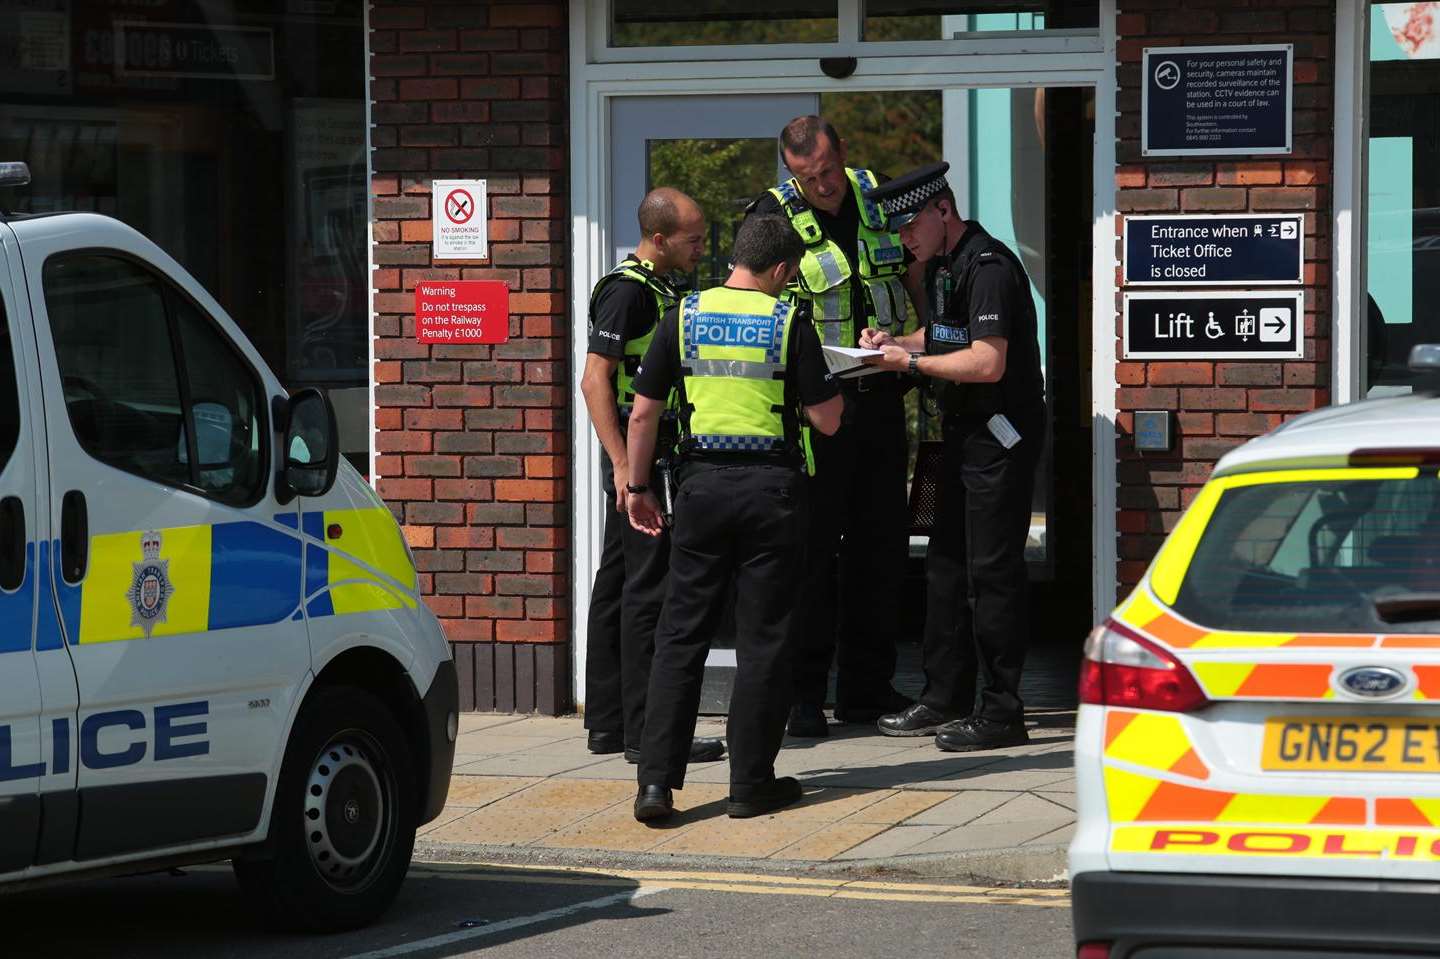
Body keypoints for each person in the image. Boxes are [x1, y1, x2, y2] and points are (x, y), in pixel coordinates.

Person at [623, 214, 845, 822]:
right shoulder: (788, 322)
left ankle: (656, 785)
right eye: (790, 274)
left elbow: (643, 417)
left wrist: (637, 487)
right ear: (778, 268)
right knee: (764, 640)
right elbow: (828, 420)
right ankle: (750, 784)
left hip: (699, 491)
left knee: (680, 634)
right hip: (771, 493)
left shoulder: (684, 316)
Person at [745, 116, 925, 738]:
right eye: (805, 177)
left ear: (843, 155)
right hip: (814, 410)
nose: (820, 185)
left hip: (880, 395)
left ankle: (867, 689)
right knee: (812, 554)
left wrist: (910, 337)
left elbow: (912, 270)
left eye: (826, 172)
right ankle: (802, 694)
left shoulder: (876, 192)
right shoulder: (770, 215)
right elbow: (757, 305)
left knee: (881, 550)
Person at [860, 163, 1046, 752]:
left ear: (943, 210)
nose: (905, 239)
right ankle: (944, 696)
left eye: (911, 225)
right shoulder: (944, 267)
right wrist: (894, 344)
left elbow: (986, 360)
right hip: (962, 435)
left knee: (990, 575)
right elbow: (944, 336)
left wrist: (907, 366)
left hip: (998, 438)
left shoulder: (989, 267)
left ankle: (1001, 711)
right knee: (944, 569)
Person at [579, 187, 725, 765]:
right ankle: (647, 733)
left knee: (617, 581)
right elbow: (595, 381)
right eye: (693, 239)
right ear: (658, 240)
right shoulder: (627, 293)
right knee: (648, 591)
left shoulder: (659, 286)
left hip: (642, 454)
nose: (702, 247)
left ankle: (610, 725)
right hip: (641, 457)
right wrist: (623, 465)